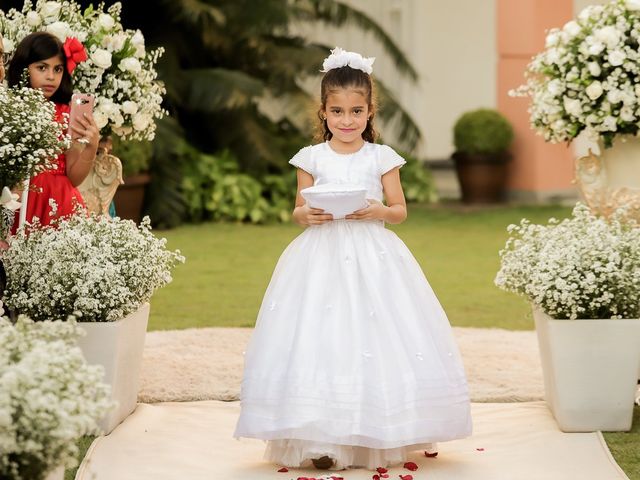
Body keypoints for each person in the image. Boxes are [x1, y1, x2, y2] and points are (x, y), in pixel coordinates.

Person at [234, 47, 472, 471]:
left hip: (373, 256)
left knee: (378, 333)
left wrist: (377, 210)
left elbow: (398, 209)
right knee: (322, 334)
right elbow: (298, 210)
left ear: (370, 111)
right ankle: (321, 434)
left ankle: (386, 427)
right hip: (321, 257)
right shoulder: (311, 157)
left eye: (356, 111)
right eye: (338, 111)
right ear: (323, 112)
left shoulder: (381, 157)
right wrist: (308, 214)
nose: (347, 120)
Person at [7, 31, 98, 228]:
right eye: (42, 67)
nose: (51, 76)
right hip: (22, 202)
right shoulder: (10, 109)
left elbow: (74, 178)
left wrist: (92, 147)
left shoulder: (66, 113)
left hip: (63, 205)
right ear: (24, 68)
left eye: (58, 69)